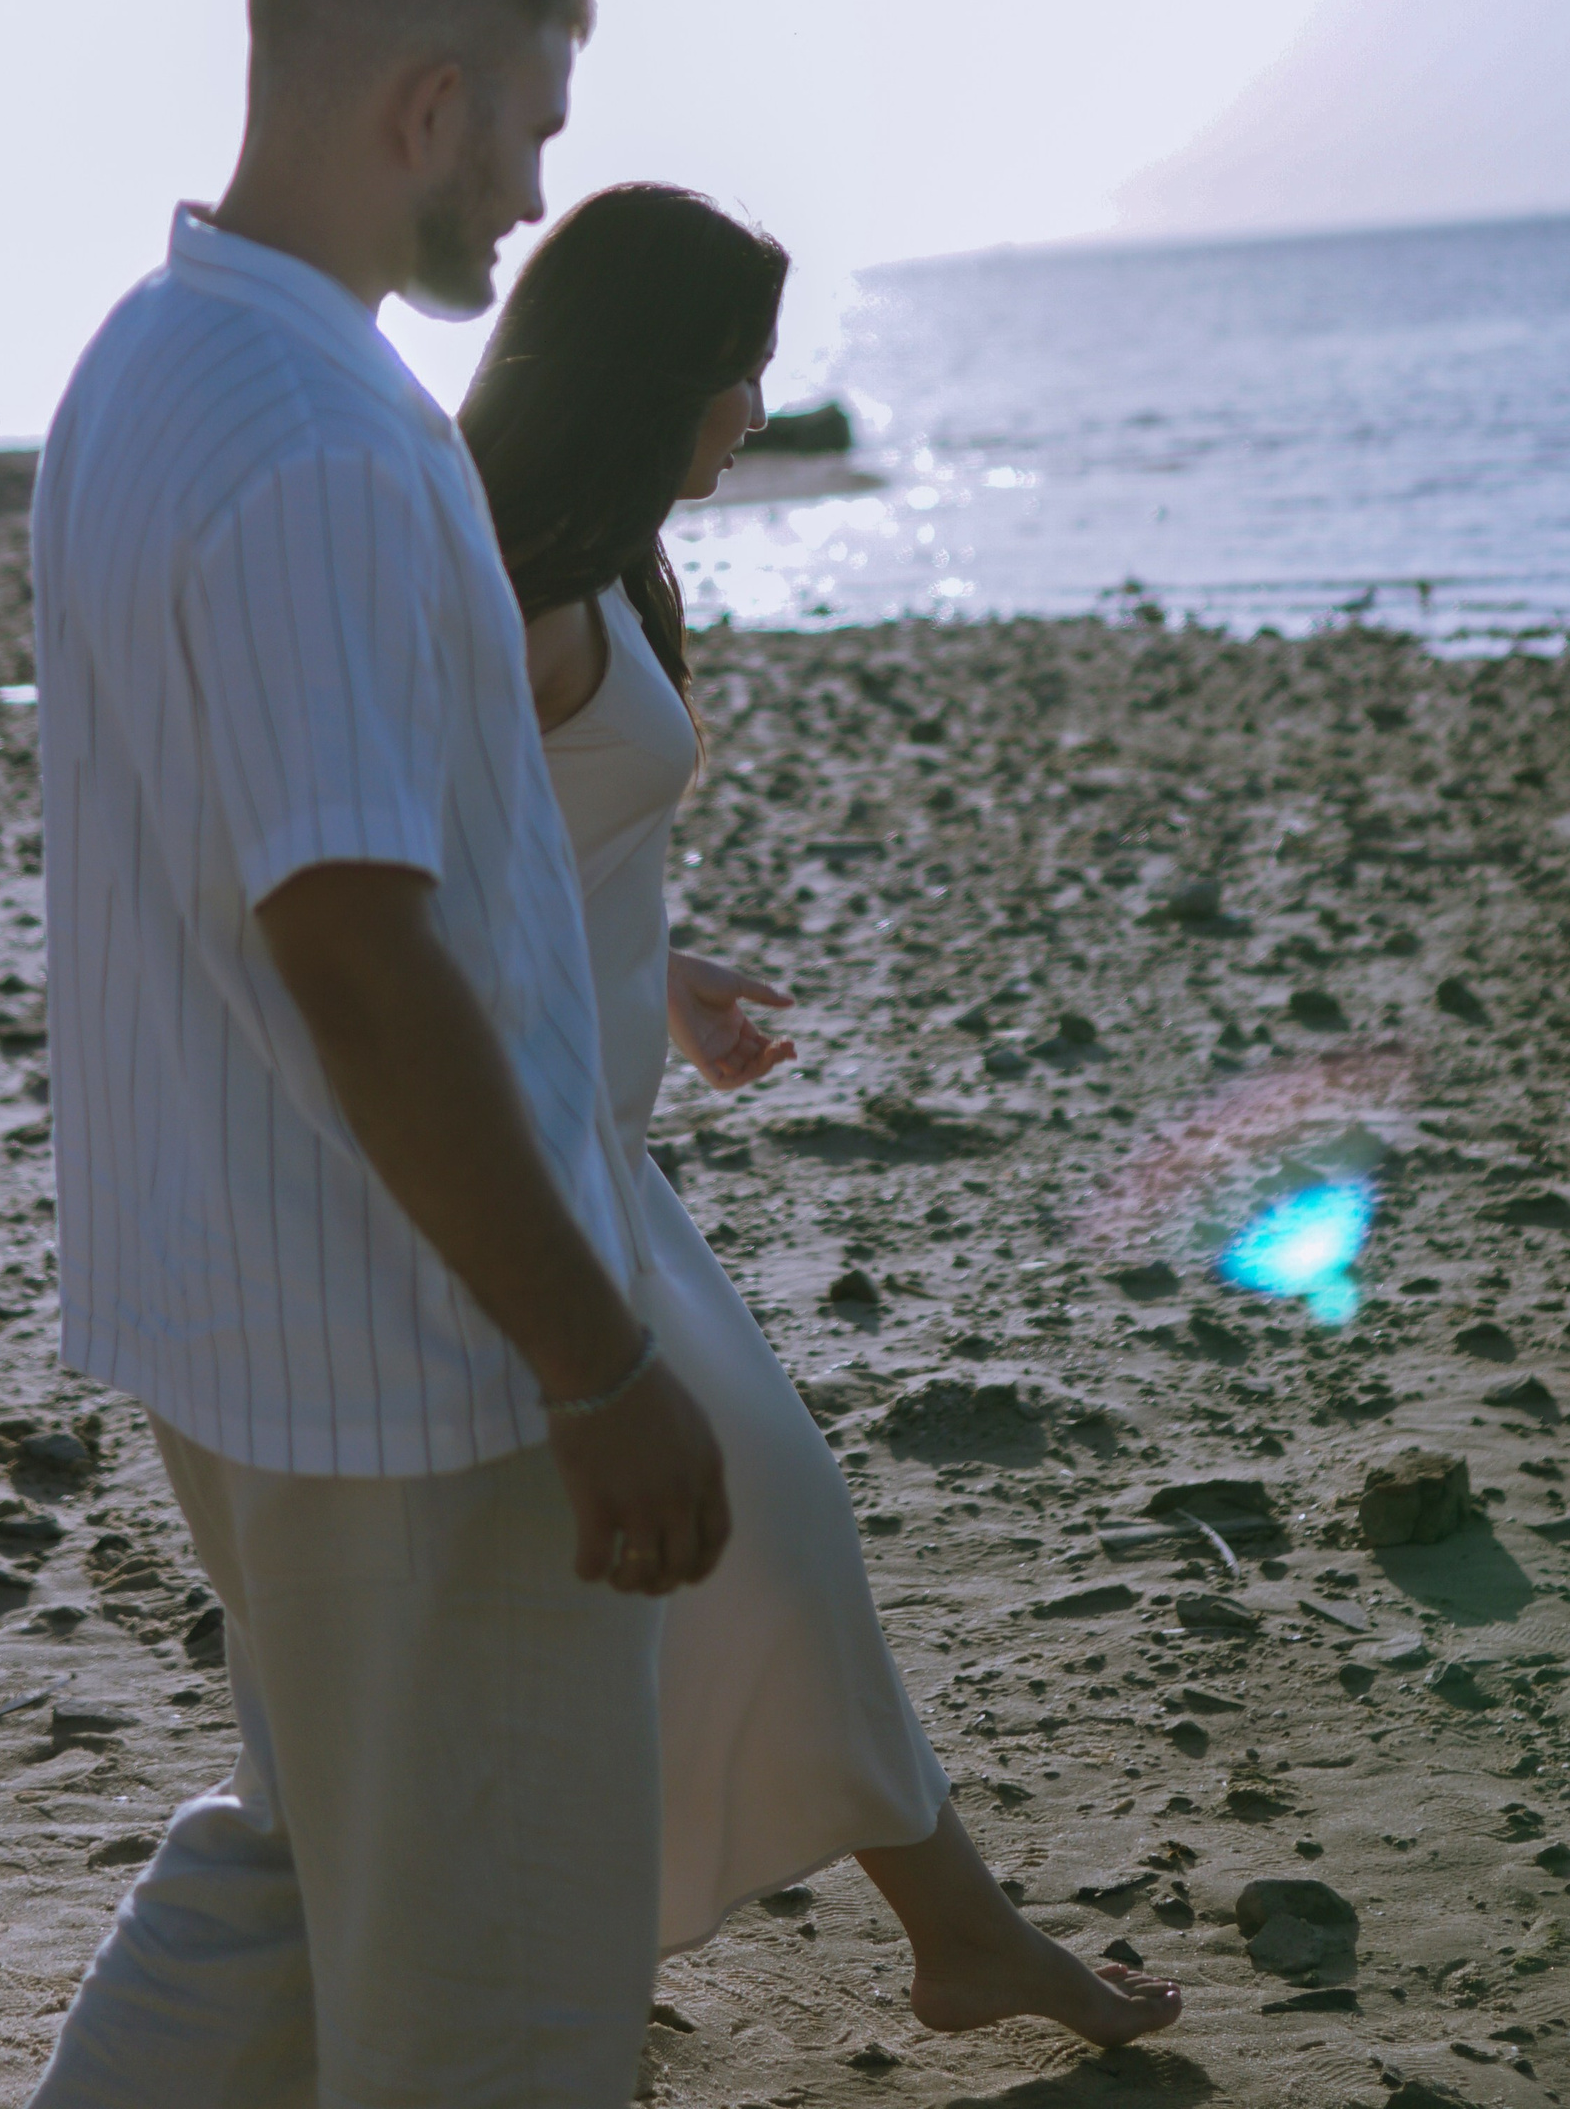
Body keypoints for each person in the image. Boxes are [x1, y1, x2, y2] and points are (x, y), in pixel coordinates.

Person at [25, 0, 731, 2109]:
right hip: (417, 1377)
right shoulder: (322, 434)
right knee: (492, 2023)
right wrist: (597, 1360)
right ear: (429, 105)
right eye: (529, 131)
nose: (532, 197)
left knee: (316, 1874)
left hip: (245, 1322)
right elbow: (348, 943)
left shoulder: (153, 355)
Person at [459, 182, 1184, 2047]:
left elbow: (552, 841)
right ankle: (590, 1967)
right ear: (652, 374)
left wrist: (662, 969)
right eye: (742, 369)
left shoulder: (599, 565)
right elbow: (411, 893)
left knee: (765, 1533)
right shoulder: (504, 589)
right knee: (720, 1537)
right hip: (520, 1173)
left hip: (599, 1146)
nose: (761, 410)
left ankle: (956, 1938)